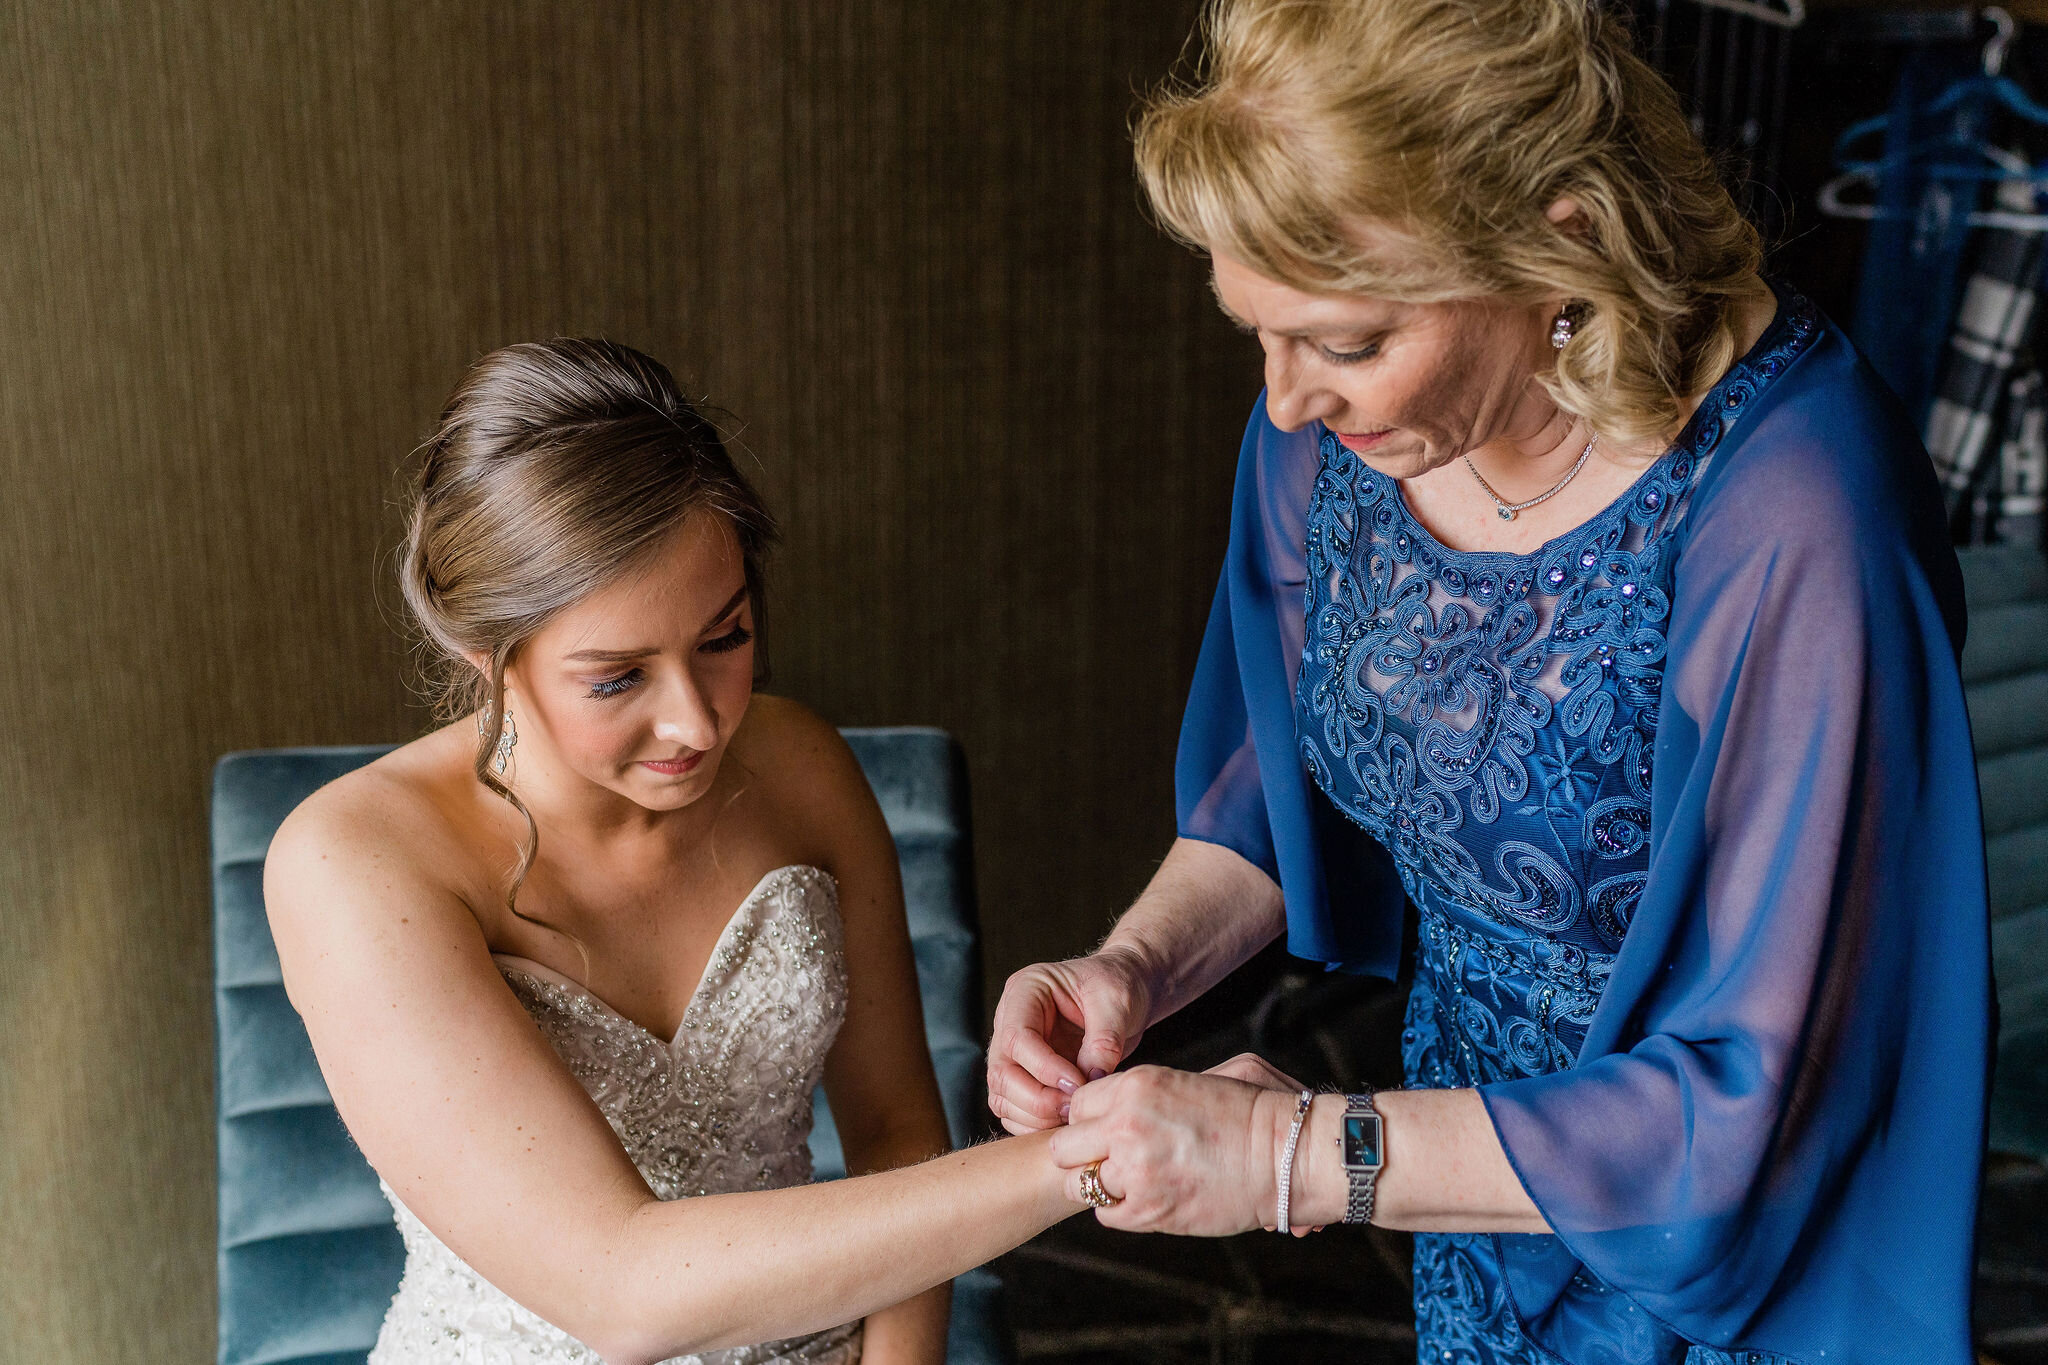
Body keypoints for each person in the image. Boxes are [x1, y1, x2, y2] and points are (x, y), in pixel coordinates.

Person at [988, 1, 1993, 1361]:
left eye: (1345, 342)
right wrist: (1131, 963)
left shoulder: (1799, 514)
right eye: (1256, 332)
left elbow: (1754, 1102)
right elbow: (1287, 795)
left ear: (1559, 241)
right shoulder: (1345, 440)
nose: (1286, 400)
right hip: (1471, 1194)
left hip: (1737, 1264)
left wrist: (1297, 1156)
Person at [265, 339, 1082, 1365]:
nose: (696, 724)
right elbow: (619, 1288)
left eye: (725, 638)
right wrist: (1085, 1163)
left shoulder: (803, 769)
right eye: (616, 680)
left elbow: (894, 1136)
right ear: (484, 658)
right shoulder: (351, 863)